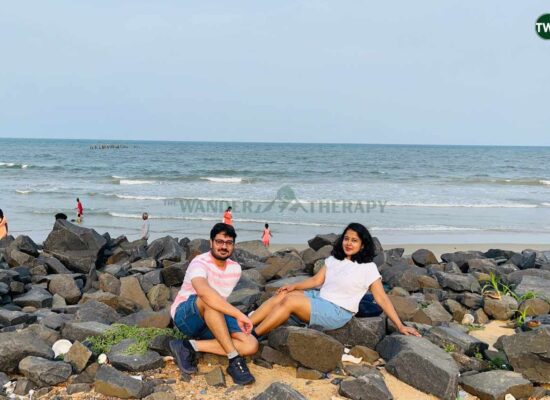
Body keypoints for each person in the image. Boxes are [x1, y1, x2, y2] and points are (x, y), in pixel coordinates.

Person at [249, 222, 421, 338]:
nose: (348, 243)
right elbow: (316, 281)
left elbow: (382, 298)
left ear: (362, 245)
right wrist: (292, 286)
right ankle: (246, 325)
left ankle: (254, 336)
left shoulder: (368, 268)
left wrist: (400, 326)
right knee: (282, 294)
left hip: (338, 311)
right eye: (346, 239)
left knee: (289, 301)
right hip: (320, 298)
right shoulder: (334, 260)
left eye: (354, 240)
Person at [169, 223, 258, 385]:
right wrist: (238, 314)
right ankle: (234, 360)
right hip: (187, 316)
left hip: (213, 317)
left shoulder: (235, 269)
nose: (224, 247)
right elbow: (204, 292)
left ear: (233, 246)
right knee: (209, 299)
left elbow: (219, 302)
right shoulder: (199, 263)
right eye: (219, 242)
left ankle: (188, 346)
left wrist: (235, 317)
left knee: (251, 345)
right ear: (211, 243)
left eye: (228, 243)